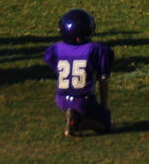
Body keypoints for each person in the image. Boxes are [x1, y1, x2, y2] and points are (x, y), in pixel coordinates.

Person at [44, 8, 114, 137]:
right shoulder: (96, 49)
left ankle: (72, 118)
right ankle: (77, 119)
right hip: (83, 101)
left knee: (79, 109)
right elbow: (103, 79)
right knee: (105, 125)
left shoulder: (56, 48)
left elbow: (52, 63)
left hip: (61, 99)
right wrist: (104, 105)